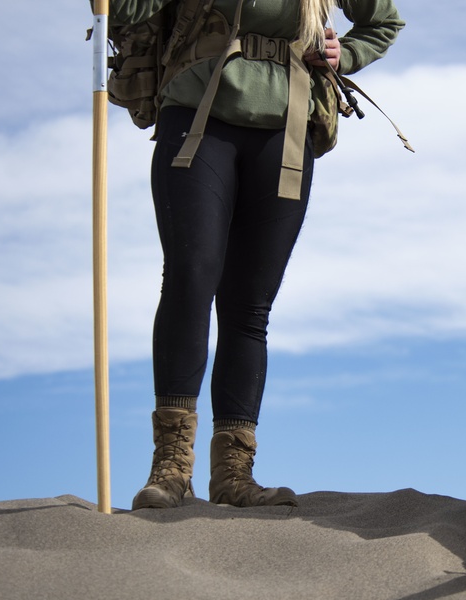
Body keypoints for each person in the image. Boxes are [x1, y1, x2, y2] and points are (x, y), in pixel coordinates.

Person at [112, 0, 405, 510]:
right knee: (190, 276)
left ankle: (233, 474)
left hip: (286, 129)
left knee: (250, 308)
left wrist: (346, 54)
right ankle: (171, 468)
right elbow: (132, 8)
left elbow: (384, 21)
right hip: (198, 117)